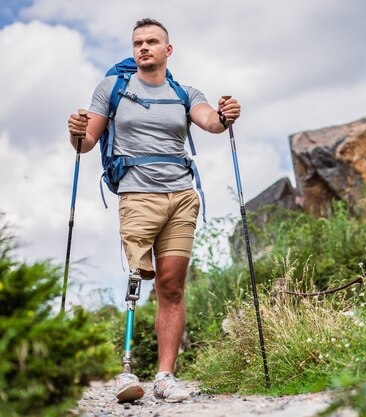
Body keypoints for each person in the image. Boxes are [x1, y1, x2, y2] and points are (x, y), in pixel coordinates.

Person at [67, 18, 240, 403]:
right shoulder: (113, 88)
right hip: (137, 194)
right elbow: (85, 142)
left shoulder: (183, 91)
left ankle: (164, 376)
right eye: (137, 43)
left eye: (151, 42)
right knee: (136, 280)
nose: (143, 48)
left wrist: (226, 114)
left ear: (168, 50)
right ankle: (125, 373)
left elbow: (211, 122)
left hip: (181, 195)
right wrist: (75, 129)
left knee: (172, 287)